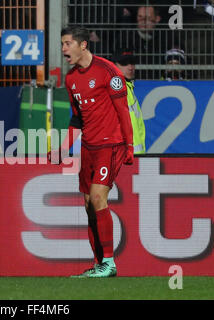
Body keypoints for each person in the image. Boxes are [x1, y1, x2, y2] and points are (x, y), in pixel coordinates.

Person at [48, 27, 133, 278]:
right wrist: (64, 149)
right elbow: (77, 119)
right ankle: (99, 263)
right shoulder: (71, 79)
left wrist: (129, 147)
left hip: (111, 144)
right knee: (88, 204)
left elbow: (123, 112)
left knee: (97, 198)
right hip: (89, 146)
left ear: (83, 45)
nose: (63, 49)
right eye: (62, 44)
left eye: (67, 44)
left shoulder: (109, 72)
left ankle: (110, 262)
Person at [112, 48, 146, 154]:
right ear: (114, 65)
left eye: (132, 63)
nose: (130, 67)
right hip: (124, 155)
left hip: (134, 155)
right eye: (124, 63)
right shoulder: (115, 88)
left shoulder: (128, 87)